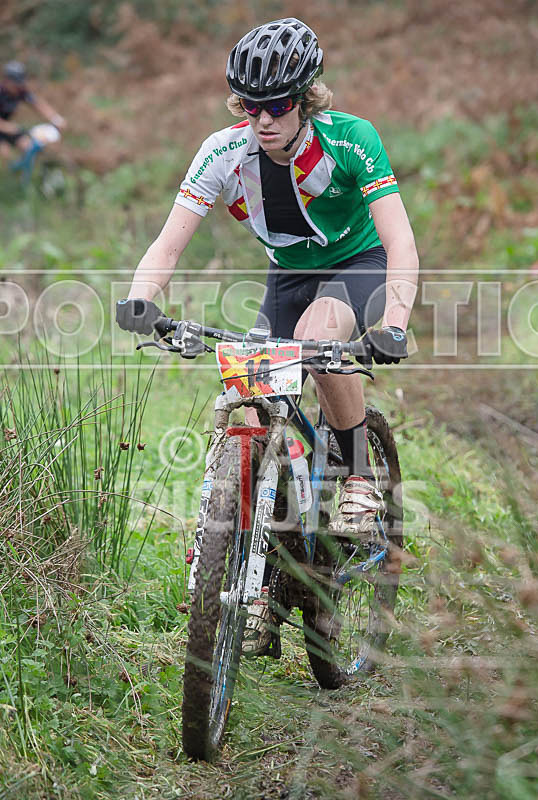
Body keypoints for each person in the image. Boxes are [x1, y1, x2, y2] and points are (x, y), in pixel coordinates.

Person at [116, 18, 419, 654]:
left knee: (319, 334)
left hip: (357, 265)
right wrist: (141, 300)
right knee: (251, 400)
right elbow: (169, 242)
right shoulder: (224, 151)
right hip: (287, 275)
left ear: (306, 99)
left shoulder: (351, 139)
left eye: (278, 106)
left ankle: (359, 475)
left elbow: (399, 240)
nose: (264, 121)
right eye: (251, 107)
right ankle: (264, 585)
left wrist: (394, 320)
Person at [0, 61, 67, 161]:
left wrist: (56, 119)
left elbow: (38, 105)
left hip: (8, 128)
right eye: (16, 85)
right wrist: (10, 127)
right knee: (5, 153)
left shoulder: (21, 91)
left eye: (20, 84)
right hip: (4, 127)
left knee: (28, 146)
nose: (18, 87)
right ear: (7, 81)